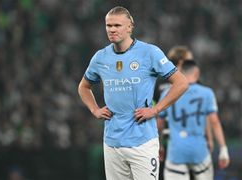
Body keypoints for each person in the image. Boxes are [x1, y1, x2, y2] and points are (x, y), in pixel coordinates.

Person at [78, 6, 188, 180]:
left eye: (117, 25)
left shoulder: (149, 52)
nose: (112, 29)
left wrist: (156, 109)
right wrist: (94, 109)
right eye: (108, 25)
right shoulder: (100, 57)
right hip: (112, 142)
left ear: (130, 27)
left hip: (143, 142)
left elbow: (181, 83)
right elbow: (84, 86)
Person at [157, 60, 230, 180]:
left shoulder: (167, 92)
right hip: (199, 151)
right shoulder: (207, 93)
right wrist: (223, 149)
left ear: (180, 73)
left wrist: (159, 146)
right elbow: (215, 122)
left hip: (176, 151)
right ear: (197, 72)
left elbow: (159, 124)